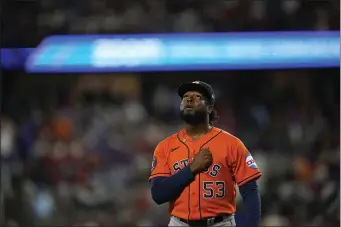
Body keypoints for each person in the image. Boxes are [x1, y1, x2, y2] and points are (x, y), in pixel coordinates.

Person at [149, 81, 262, 227]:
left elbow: (250, 191)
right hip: (180, 223)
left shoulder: (231, 144)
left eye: (197, 96)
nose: (189, 99)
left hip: (221, 223)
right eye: (185, 97)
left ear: (209, 108)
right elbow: (158, 194)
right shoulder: (165, 146)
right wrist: (191, 169)